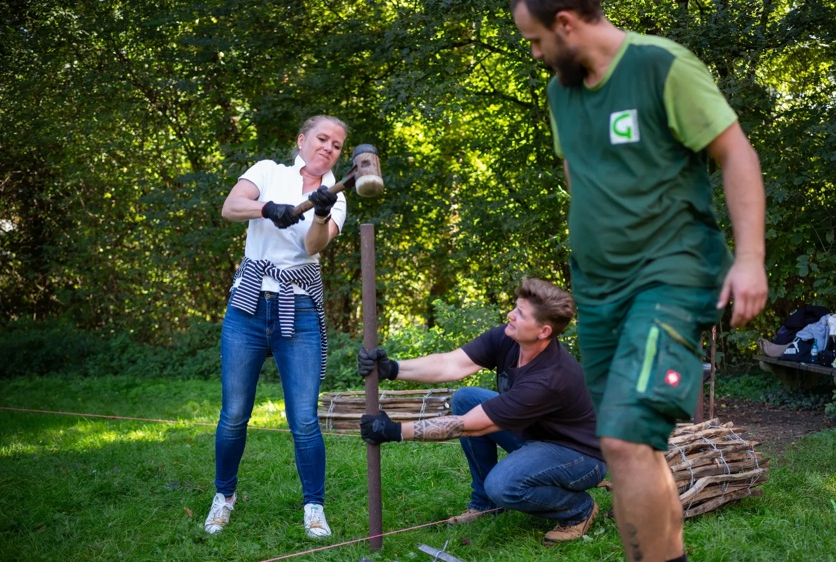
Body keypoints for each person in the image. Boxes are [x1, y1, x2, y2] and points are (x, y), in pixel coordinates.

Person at [510, 2, 769, 561]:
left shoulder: (660, 66)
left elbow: (736, 153)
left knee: (628, 438)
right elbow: (579, 175)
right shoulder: (563, 92)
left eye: (534, 40)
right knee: (625, 447)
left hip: (670, 277)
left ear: (564, 23)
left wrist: (750, 258)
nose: (534, 54)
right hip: (599, 294)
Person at [358, 277, 607, 545]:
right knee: (466, 397)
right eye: (515, 307)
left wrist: (396, 431)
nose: (510, 315)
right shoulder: (508, 338)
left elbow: (469, 425)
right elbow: (450, 364)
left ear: (543, 331)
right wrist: (393, 369)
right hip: (536, 435)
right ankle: (485, 505)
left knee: (503, 485)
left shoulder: (548, 379)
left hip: (580, 456)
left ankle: (578, 510)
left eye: (520, 314)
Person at [205, 115, 350, 539]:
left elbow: (312, 246)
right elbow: (231, 208)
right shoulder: (267, 172)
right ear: (302, 139)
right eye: (322, 139)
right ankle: (224, 497)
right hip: (249, 307)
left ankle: (314, 506)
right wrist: (267, 208)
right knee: (233, 415)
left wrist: (320, 214)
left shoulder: (336, 195)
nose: (329, 148)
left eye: (338, 145)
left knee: (304, 419)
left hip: (300, 309)